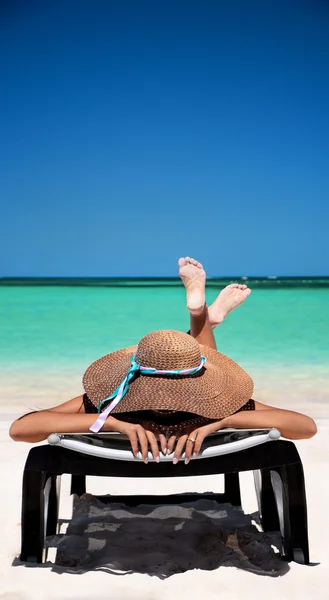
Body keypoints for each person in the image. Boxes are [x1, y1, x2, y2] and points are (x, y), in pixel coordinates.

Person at [10, 257, 317, 464]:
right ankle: (203, 317)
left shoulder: (113, 401)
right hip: (203, 402)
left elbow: (22, 428)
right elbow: (305, 427)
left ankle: (203, 317)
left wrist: (111, 423)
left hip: (125, 418)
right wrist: (225, 420)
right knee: (202, 360)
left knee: (189, 357)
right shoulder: (216, 401)